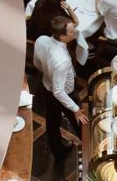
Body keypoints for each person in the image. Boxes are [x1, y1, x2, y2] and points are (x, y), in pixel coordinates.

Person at [33, 16, 89, 163]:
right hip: (65, 93)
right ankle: (89, 149)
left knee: (52, 122)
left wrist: (48, 72)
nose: (75, 32)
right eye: (72, 31)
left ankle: (58, 152)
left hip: (47, 87)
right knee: (81, 122)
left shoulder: (41, 40)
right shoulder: (62, 60)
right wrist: (76, 109)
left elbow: (36, 63)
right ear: (62, 36)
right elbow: (59, 92)